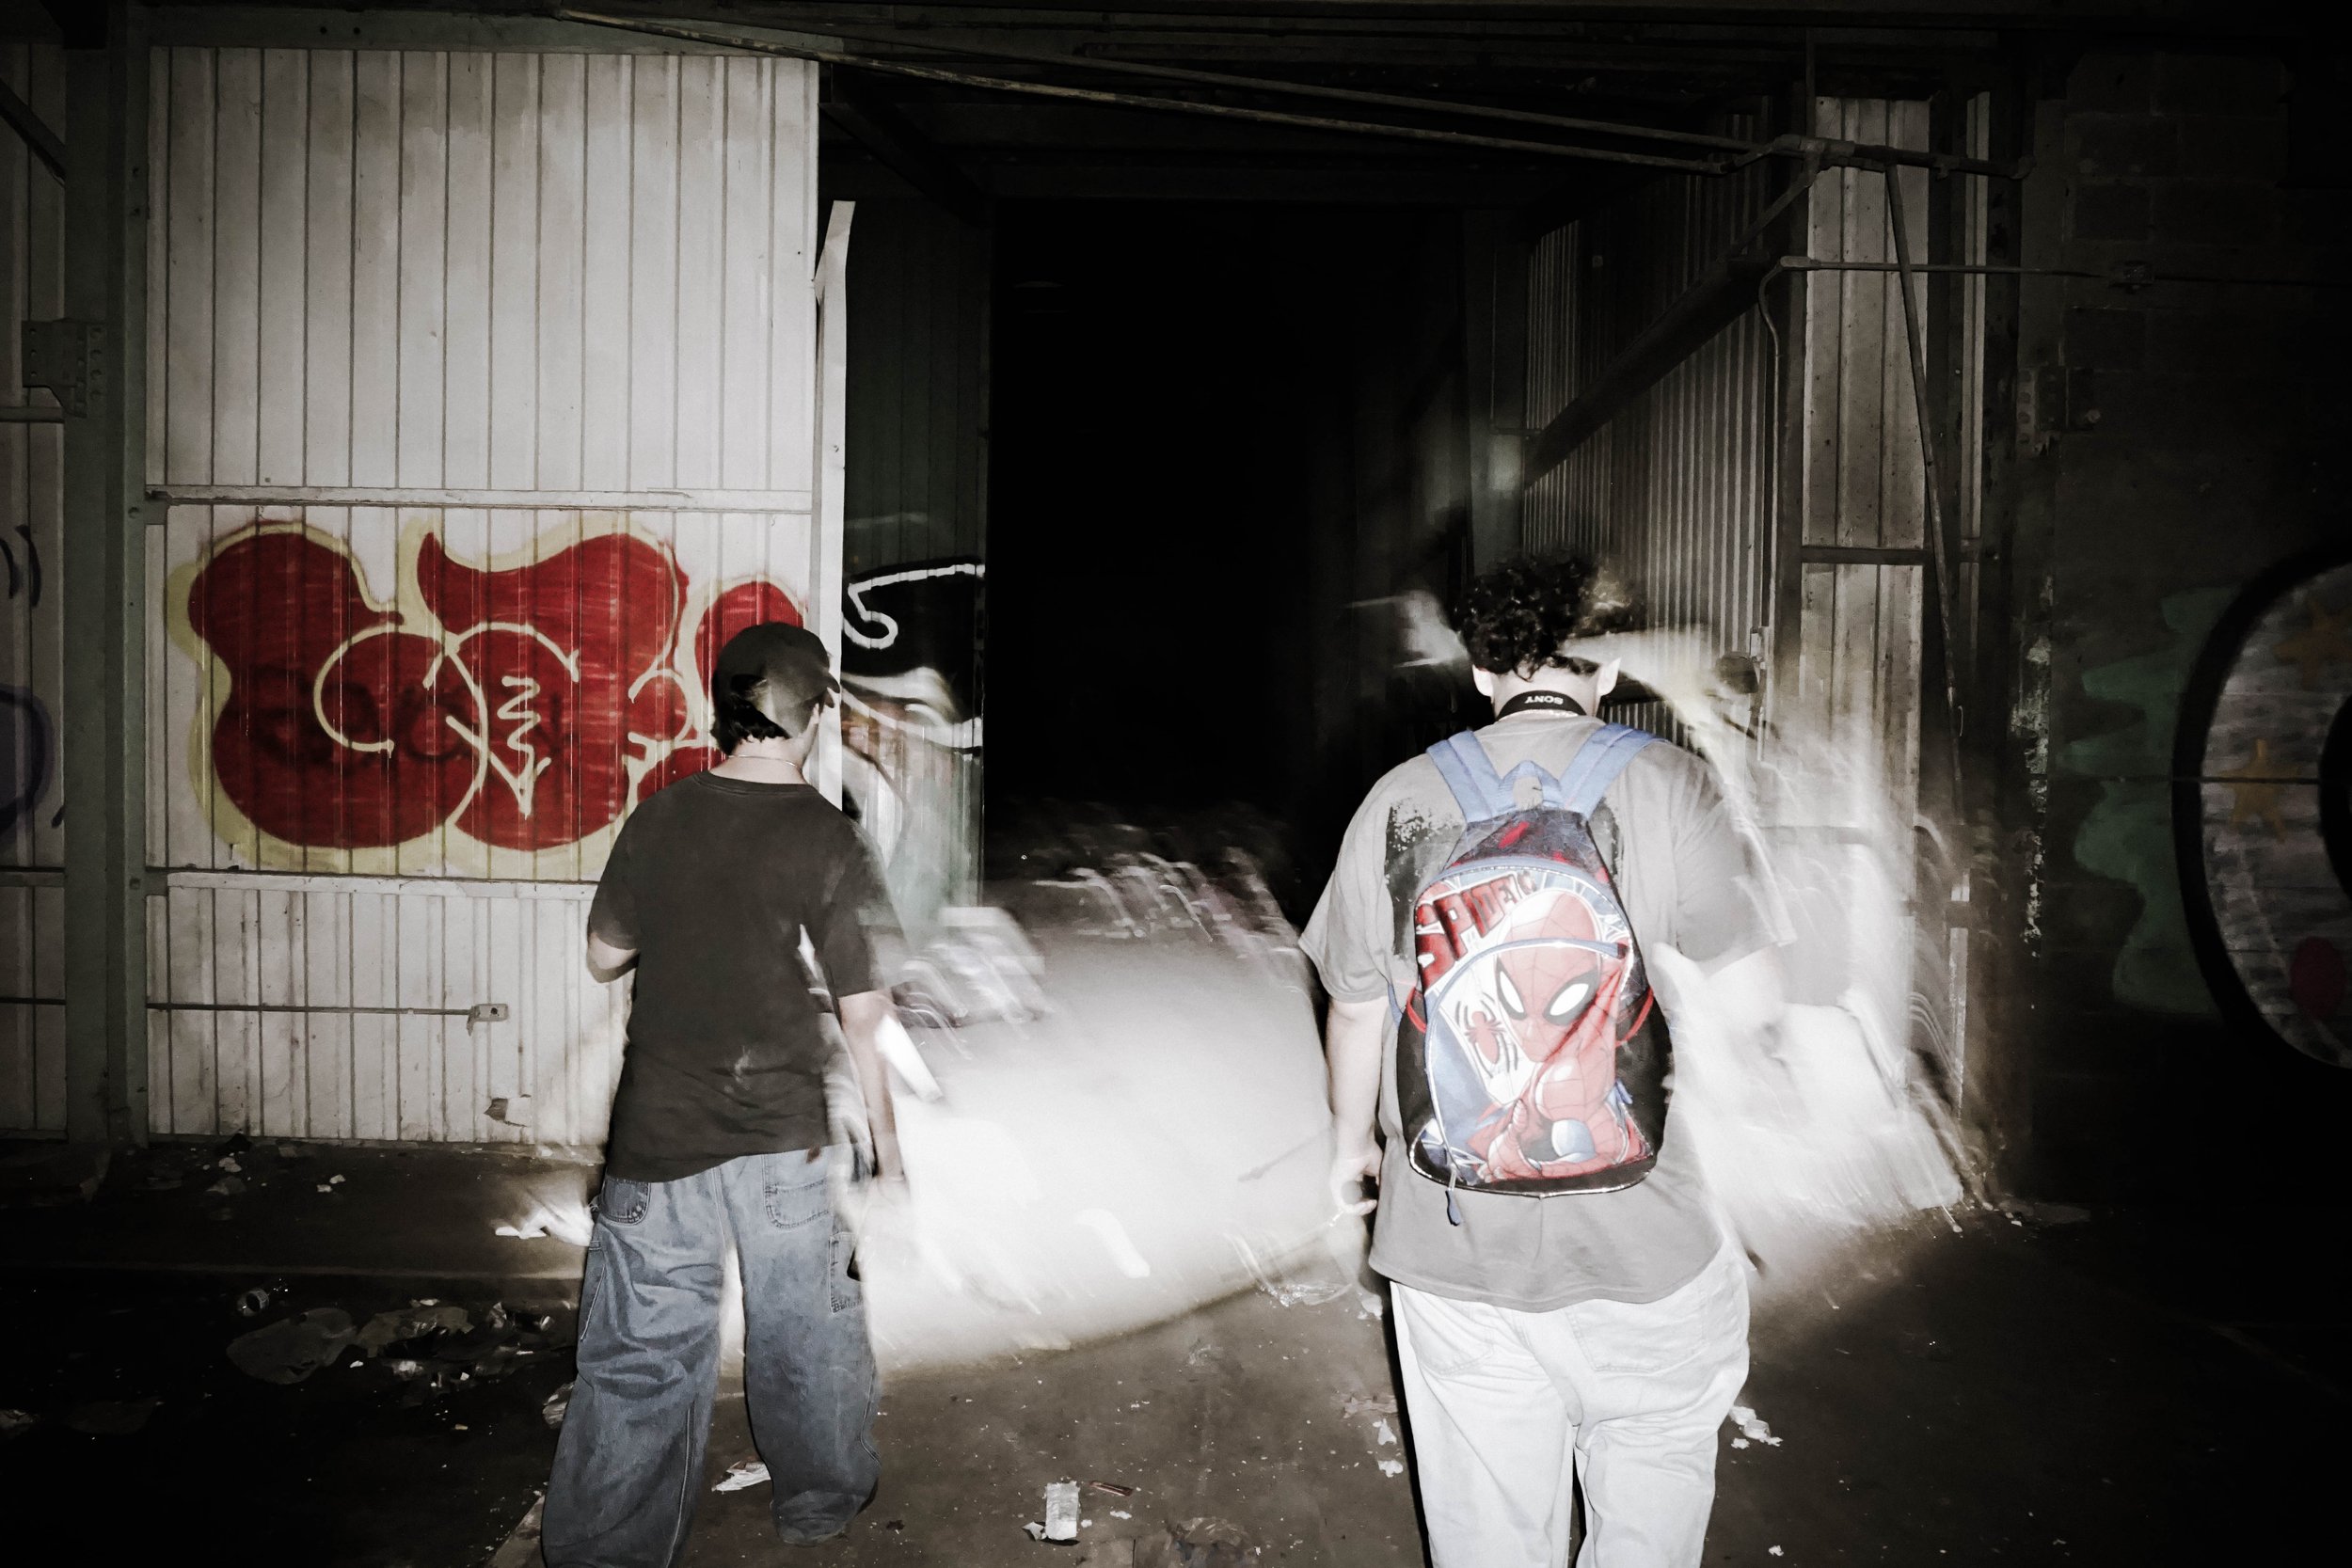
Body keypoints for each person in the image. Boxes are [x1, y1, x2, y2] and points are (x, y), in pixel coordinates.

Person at [1301, 557, 1785, 1568]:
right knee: (1650, 1485)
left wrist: (1352, 1153)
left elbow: (1353, 1008)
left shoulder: (1395, 798)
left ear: (1481, 672)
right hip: (1649, 1245)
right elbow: (1748, 1005)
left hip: (1451, 1245)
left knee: (1488, 1535)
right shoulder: (1670, 782)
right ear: (1603, 669)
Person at [544, 622, 904, 1565]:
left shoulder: (659, 817)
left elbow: (601, 956)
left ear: (728, 710)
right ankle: (818, 1504)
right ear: (812, 712)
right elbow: (865, 1017)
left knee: (636, 1357)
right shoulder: (829, 839)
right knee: (805, 1335)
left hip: (656, 1136)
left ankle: (606, 1550)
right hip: (783, 1136)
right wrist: (894, 1156)